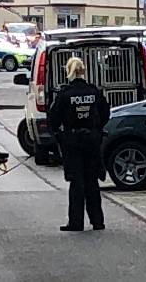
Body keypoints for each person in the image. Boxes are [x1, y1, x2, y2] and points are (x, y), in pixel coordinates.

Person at [47, 57, 109, 232]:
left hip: (72, 142)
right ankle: (97, 221)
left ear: (69, 72)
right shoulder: (94, 92)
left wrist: (59, 135)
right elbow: (105, 113)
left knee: (76, 182)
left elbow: (53, 118)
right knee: (92, 181)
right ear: (83, 71)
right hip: (92, 141)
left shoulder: (65, 94)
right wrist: (97, 129)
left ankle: (76, 222)